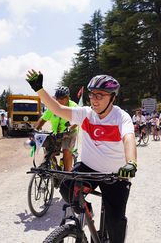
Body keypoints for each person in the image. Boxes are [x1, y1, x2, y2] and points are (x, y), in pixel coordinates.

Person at [26, 70, 137, 243]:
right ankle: (87, 211)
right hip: (88, 169)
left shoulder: (121, 117)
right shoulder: (85, 113)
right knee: (65, 187)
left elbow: (129, 138)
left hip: (116, 175)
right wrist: (39, 89)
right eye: (92, 94)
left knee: (115, 222)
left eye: (100, 95)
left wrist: (131, 163)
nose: (94, 99)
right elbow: (57, 108)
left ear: (112, 97)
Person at [34, 86, 78, 171]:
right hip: (56, 134)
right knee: (49, 152)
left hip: (69, 133)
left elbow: (77, 121)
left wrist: (69, 129)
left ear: (67, 98)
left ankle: (67, 174)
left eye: (61, 99)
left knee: (66, 151)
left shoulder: (73, 106)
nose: (59, 101)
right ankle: (54, 169)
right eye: (57, 99)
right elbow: (43, 119)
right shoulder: (53, 106)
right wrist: (35, 130)